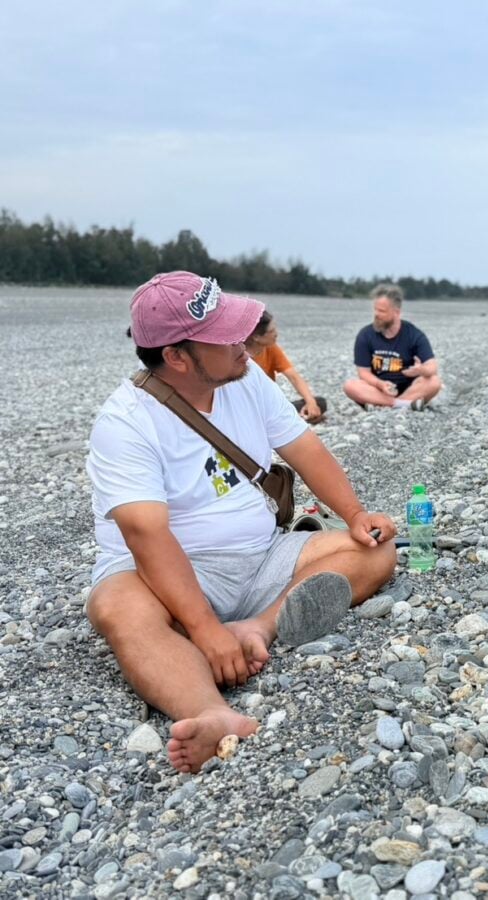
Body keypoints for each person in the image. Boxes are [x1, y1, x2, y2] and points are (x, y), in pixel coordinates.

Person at [86, 271, 398, 774]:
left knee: (376, 550)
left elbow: (306, 448)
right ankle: (211, 713)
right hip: (171, 574)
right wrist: (205, 628)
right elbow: (147, 537)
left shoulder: (247, 378)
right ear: (177, 356)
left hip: (263, 555)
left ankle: (257, 625)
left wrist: (357, 515)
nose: (243, 344)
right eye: (226, 336)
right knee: (116, 606)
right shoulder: (125, 423)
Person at [342, 283, 443, 410]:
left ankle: (383, 404)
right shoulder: (365, 335)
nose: (376, 314)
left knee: (434, 382)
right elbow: (363, 372)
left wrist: (421, 370)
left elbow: (432, 367)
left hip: (411, 388)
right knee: (350, 386)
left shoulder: (414, 335)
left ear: (396, 312)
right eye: (375, 309)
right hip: (379, 389)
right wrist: (380, 384)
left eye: (382, 311)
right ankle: (403, 404)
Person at [246, 310, 328, 423]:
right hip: (249, 409)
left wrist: (310, 402)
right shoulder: (239, 358)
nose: (276, 334)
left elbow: (293, 377)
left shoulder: (270, 348)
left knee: (319, 403)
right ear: (256, 337)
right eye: (272, 331)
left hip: (270, 406)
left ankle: (290, 418)